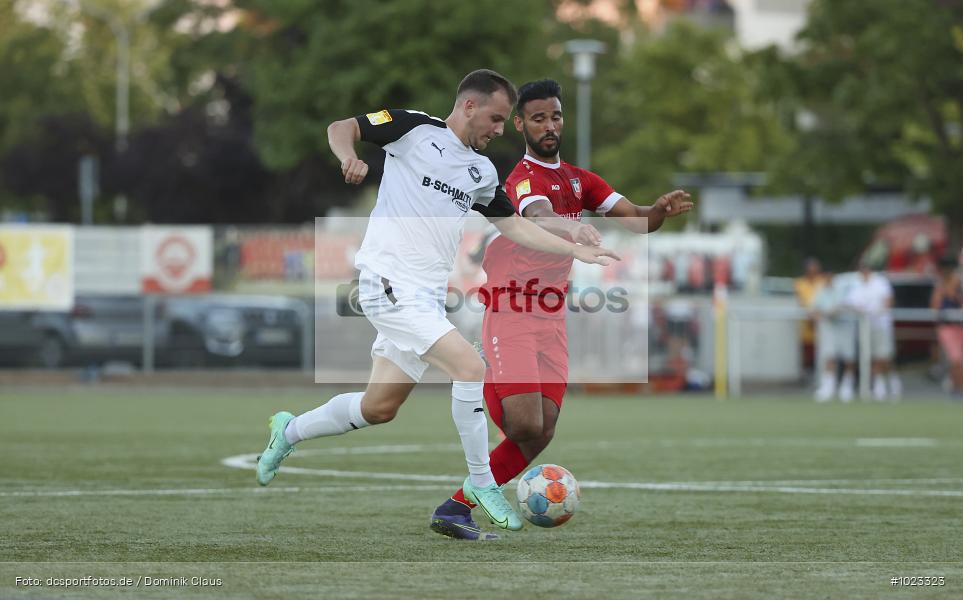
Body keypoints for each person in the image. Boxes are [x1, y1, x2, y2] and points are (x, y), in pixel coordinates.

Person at [253, 70, 619, 533]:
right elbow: (341, 127)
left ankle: (287, 431)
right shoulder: (414, 129)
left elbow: (517, 227)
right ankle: (483, 484)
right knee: (470, 367)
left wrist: (573, 247)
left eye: (506, 123)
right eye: (496, 118)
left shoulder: (482, 172)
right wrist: (348, 156)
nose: (499, 130)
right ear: (468, 106)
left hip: (424, 298)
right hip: (386, 283)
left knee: (378, 407)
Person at [428, 78, 692, 540]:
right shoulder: (521, 178)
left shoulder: (579, 179)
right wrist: (574, 233)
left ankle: (455, 507)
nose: (549, 126)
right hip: (510, 309)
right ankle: (484, 366)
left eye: (556, 116)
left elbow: (635, 219)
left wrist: (658, 212)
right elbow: (538, 215)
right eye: (538, 118)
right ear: (520, 124)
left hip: (550, 317)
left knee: (541, 431)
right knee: (524, 421)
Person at [845, 260, 902, 401]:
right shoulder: (856, 285)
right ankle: (878, 385)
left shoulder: (880, 283)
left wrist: (877, 311)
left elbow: (888, 301)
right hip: (865, 326)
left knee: (884, 356)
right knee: (870, 356)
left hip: (881, 325)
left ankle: (891, 382)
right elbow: (850, 303)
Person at [930, 256, 963, 396]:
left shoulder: (960, 285)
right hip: (948, 328)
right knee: (955, 360)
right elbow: (934, 306)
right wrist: (946, 291)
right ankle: (957, 388)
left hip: (960, 326)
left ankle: (957, 386)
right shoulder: (940, 285)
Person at [794, 258, 828, 373]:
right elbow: (801, 302)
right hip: (807, 321)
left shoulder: (823, 281)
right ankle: (808, 373)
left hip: (822, 320)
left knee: (824, 348)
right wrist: (810, 314)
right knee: (808, 349)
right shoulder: (800, 283)